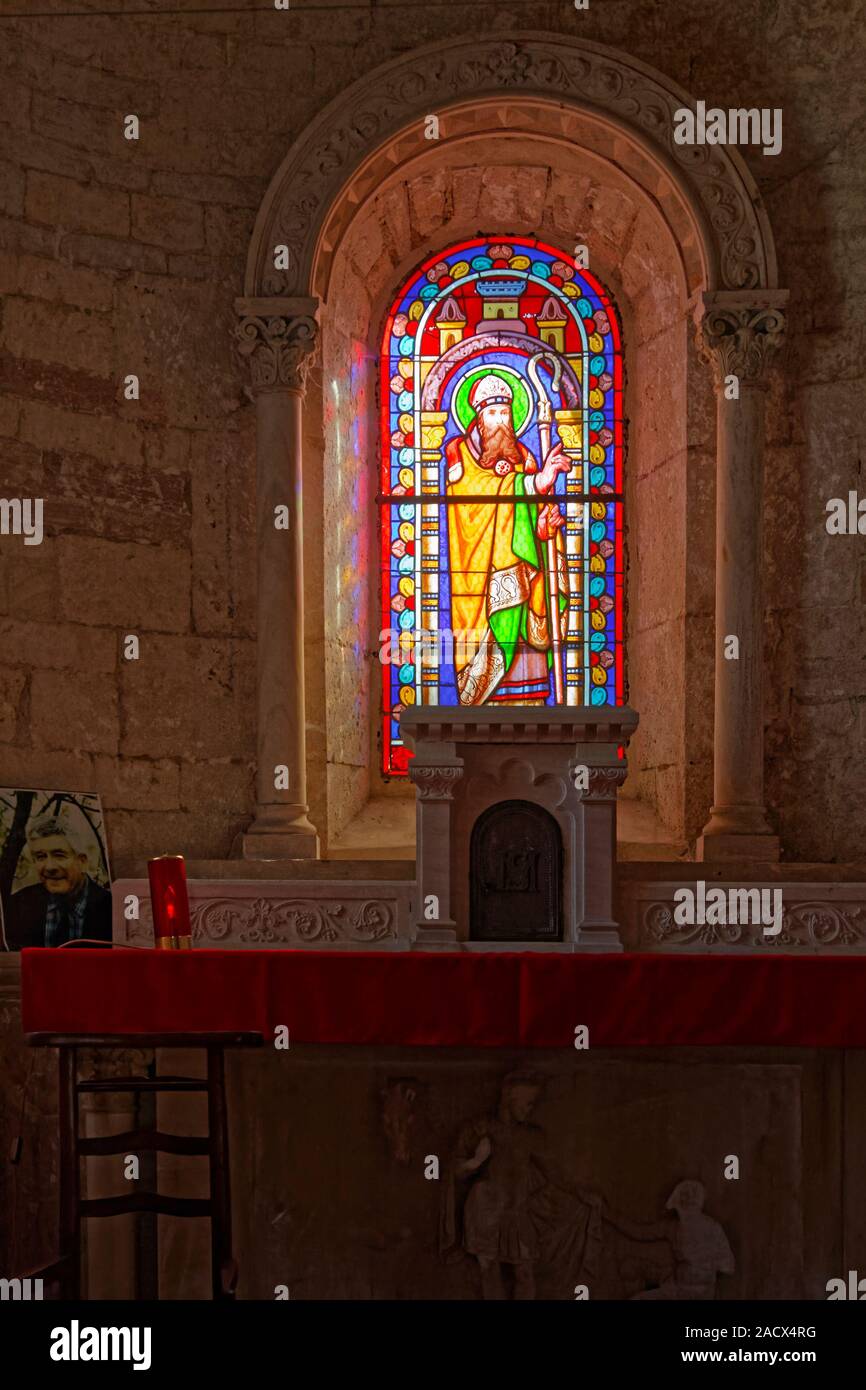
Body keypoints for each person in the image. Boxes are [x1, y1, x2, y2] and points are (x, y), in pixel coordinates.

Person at [445, 374, 571, 705]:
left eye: (506, 413)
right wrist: (531, 486)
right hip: (481, 597)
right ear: (477, 416)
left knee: (530, 697)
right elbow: (472, 507)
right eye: (492, 413)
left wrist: (544, 528)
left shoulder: (527, 459)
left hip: (525, 598)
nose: (501, 422)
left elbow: (535, 531)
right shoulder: (460, 457)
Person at [1, 815, 112, 949]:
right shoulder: (17, 906)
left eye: (59, 855)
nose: (49, 867)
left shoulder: (110, 908)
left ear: (82, 862)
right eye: (41, 857)